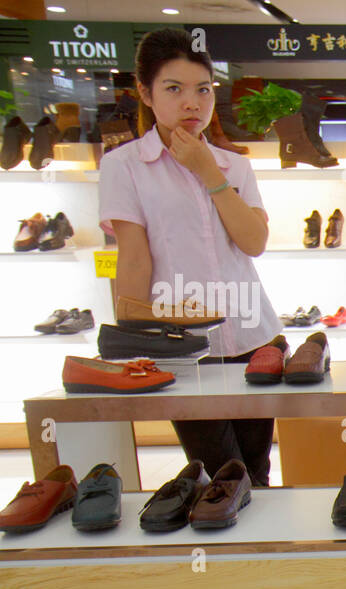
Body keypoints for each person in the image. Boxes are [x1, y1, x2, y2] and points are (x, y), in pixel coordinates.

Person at [99, 27, 281, 485]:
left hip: (251, 337)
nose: (192, 104)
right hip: (181, 346)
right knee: (220, 472)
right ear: (144, 92)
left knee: (257, 470)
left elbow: (254, 242)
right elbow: (134, 259)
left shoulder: (232, 165)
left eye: (203, 90)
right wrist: (132, 344)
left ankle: (258, 557)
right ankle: (225, 555)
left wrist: (207, 171)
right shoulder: (123, 166)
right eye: (174, 89)